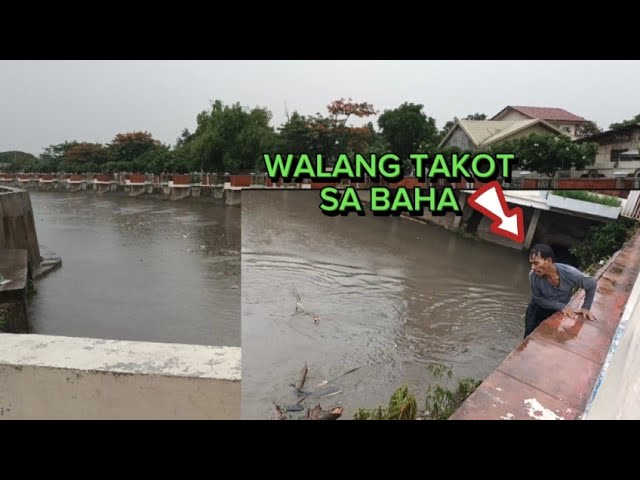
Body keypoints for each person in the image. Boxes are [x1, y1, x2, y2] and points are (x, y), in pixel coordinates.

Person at [524, 244, 597, 339]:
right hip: (537, 309)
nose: (533, 267)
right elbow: (538, 299)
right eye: (531, 263)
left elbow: (591, 284)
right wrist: (561, 307)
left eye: (536, 263)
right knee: (528, 337)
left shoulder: (570, 274)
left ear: (548, 261)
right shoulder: (533, 276)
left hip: (556, 312)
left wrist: (586, 307)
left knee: (548, 338)